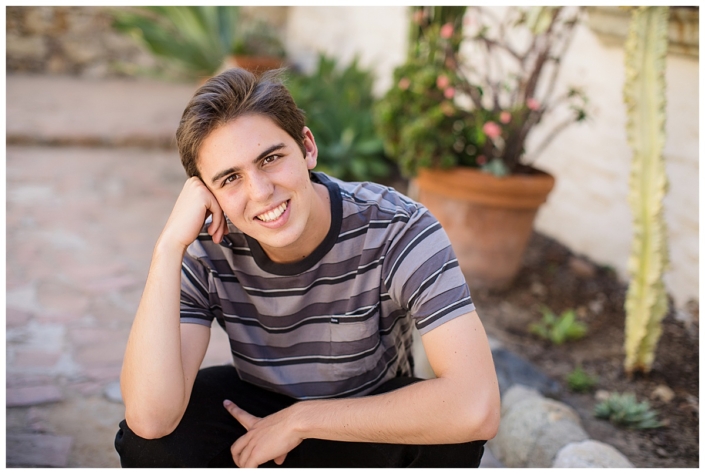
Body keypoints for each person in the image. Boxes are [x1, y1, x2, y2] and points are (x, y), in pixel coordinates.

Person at [114, 67, 500, 468]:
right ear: (207, 195)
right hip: (259, 408)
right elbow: (150, 419)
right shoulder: (206, 247)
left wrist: (301, 421)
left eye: (271, 158)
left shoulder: (398, 228)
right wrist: (167, 248)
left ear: (307, 147)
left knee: (450, 438)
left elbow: (477, 406)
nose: (260, 192)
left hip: (366, 416)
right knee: (152, 445)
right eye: (230, 178)